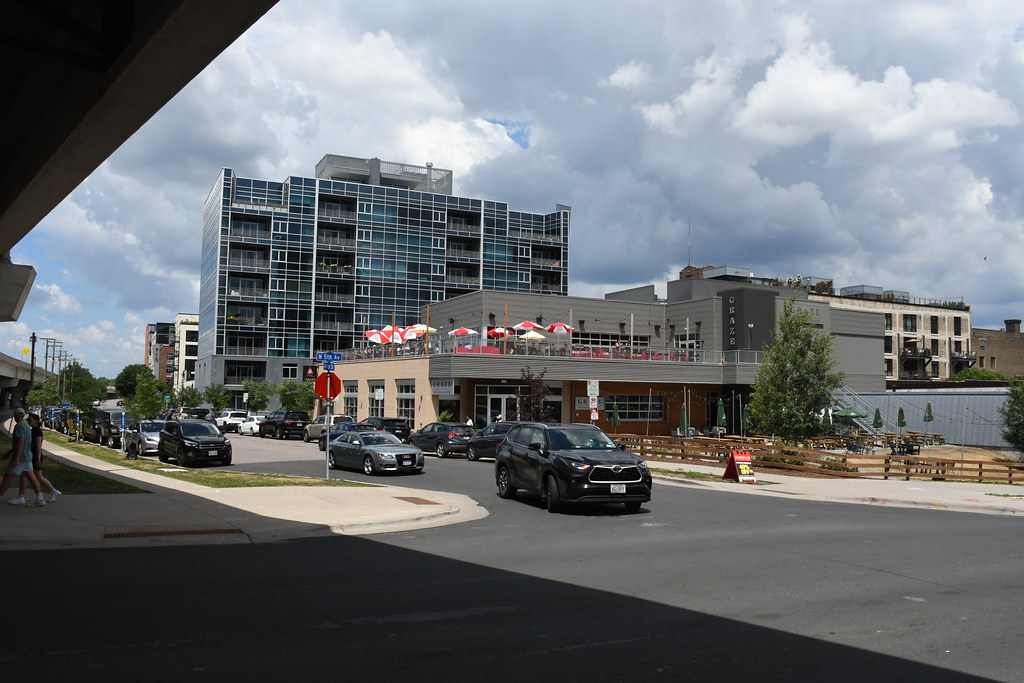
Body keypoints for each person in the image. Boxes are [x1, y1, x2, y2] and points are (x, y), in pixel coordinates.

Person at [0, 408, 45, 506]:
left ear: (15, 416)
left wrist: (15, 458)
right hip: (28, 456)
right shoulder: (26, 425)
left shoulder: (19, 426)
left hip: (20, 458)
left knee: (8, 477)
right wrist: (9, 453)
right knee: (32, 478)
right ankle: (40, 498)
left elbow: (20, 442)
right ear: (23, 416)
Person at [18, 413, 60, 502]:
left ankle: (53, 491)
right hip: (31, 455)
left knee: (38, 477)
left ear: (36, 421)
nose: (28, 422)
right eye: (28, 420)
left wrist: (37, 459)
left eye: (30, 420)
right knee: (26, 476)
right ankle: (21, 496)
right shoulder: (32, 430)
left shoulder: (37, 431)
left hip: (35, 456)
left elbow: (38, 445)